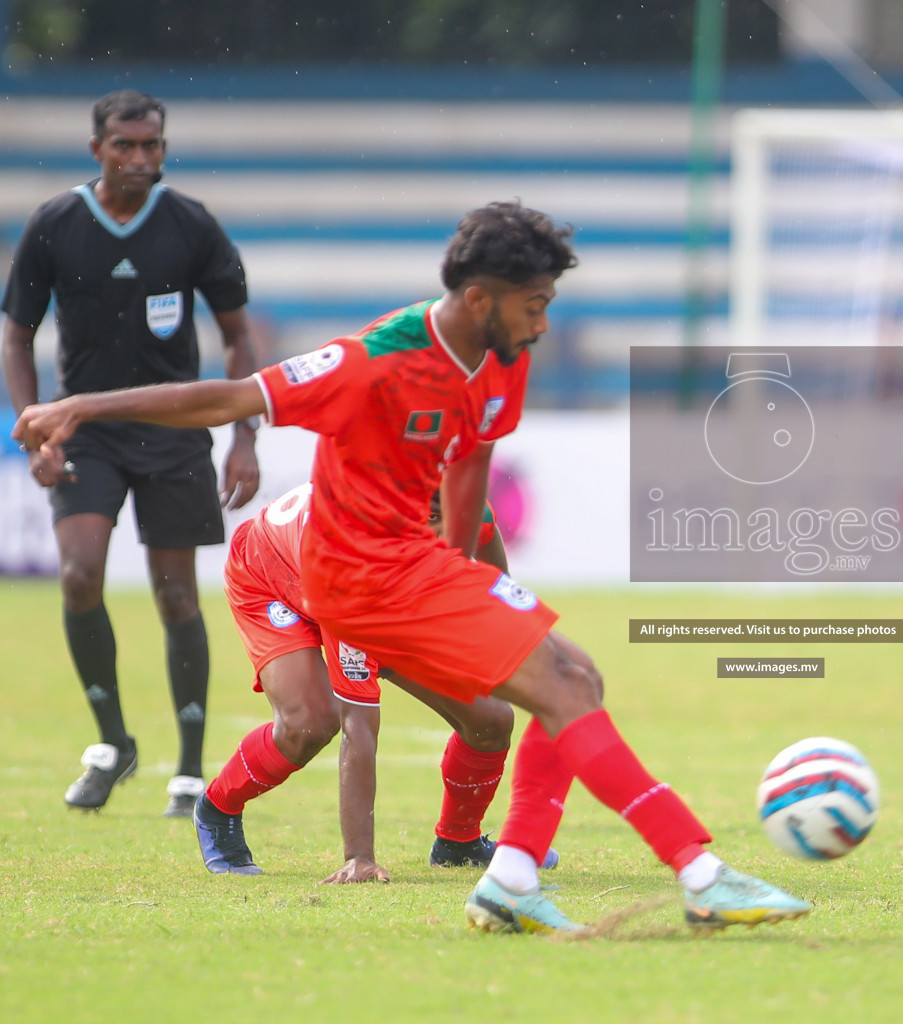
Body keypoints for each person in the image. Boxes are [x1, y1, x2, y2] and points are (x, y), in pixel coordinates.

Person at [15, 201, 809, 935]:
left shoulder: (503, 360)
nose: (542, 324)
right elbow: (223, 399)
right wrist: (80, 407)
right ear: (478, 300)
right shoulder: (366, 362)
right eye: (532, 306)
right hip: (355, 577)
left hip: (420, 567)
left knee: (576, 680)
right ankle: (698, 871)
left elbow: (471, 463)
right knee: (554, 687)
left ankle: (512, 877)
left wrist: (465, 575)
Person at [1, 90, 259, 817]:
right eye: (125, 146)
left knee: (176, 592)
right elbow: (15, 335)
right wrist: (35, 426)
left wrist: (244, 434)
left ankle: (188, 769)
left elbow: (239, 335)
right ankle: (114, 743)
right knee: (80, 575)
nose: (140, 159)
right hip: (85, 431)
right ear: (97, 150)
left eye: (152, 146)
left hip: (175, 432)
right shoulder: (53, 225)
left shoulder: (190, 223)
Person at [201, 480, 559, 882]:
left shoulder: (468, 510)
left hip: (378, 591)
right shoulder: (351, 570)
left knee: (491, 719)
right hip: (269, 576)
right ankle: (218, 808)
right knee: (310, 723)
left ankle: (459, 843)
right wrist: (360, 857)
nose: (444, 538)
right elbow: (359, 725)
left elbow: (495, 592)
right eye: (430, 523)